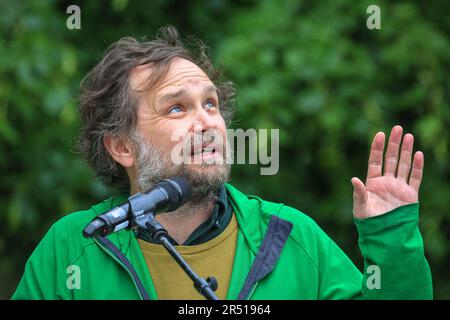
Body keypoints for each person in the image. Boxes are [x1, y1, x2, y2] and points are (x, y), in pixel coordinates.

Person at [12, 26, 432, 300]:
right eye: (177, 109)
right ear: (123, 146)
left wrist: (390, 238)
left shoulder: (289, 237)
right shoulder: (71, 249)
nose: (207, 121)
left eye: (210, 104)